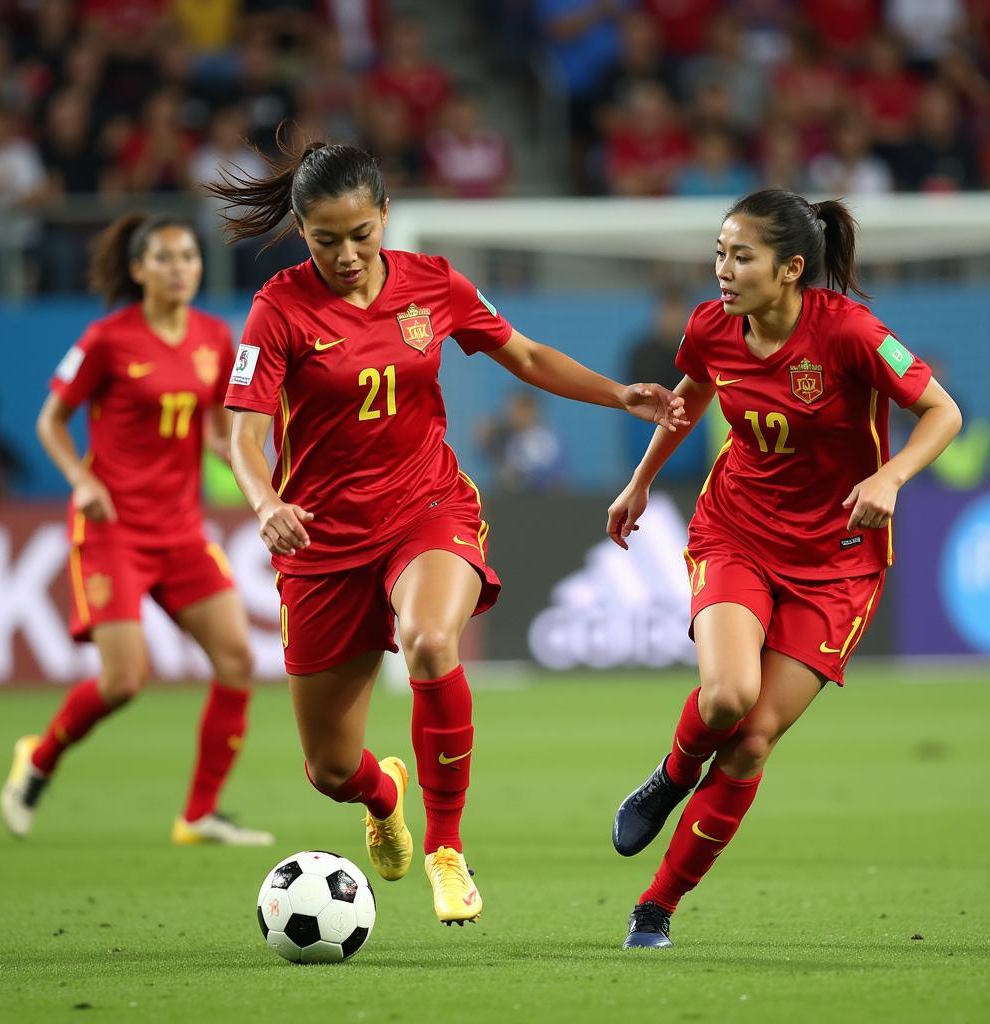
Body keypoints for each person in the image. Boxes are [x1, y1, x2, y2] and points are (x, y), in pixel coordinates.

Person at [207, 140, 687, 925]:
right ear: (301, 231)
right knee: (329, 769)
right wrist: (264, 504)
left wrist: (617, 395)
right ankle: (381, 792)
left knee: (431, 642)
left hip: (426, 508)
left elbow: (524, 354)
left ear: (385, 215)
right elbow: (241, 436)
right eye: (326, 239)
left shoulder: (434, 284)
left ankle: (447, 848)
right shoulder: (280, 308)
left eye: (361, 234)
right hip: (322, 543)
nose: (348, 254)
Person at [607, 188, 962, 949]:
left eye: (742, 256)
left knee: (752, 738)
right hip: (738, 531)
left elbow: (945, 412)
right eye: (720, 253)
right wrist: (640, 482)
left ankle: (657, 906)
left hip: (836, 561)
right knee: (728, 693)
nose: (723, 270)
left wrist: (891, 477)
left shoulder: (852, 333)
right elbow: (690, 400)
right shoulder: (711, 326)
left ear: (792, 267)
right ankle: (671, 777)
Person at [0, 213, 273, 848]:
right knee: (125, 680)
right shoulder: (107, 339)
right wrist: (81, 480)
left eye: (189, 257)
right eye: (166, 258)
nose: (181, 268)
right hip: (112, 529)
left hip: (181, 530)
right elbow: (50, 422)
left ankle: (199, 814)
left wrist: (242, 463)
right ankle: (38, 758)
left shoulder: (213, 338)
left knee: (236, 659)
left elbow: (214, 428)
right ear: (139, 269)